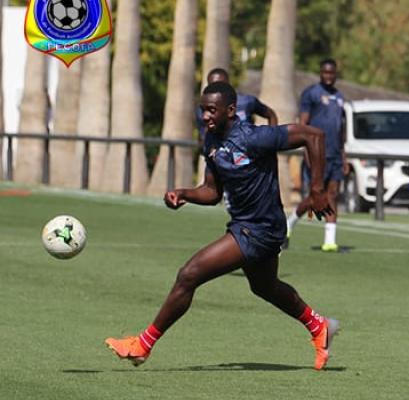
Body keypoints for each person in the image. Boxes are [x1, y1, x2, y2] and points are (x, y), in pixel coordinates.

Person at [105, 82, 340, 371]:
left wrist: (317, 190)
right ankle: (319, 326)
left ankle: (142, 345)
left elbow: (313, 135)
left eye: (211, 111)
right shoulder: (212, 142)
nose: (205, 116)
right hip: (247, 226)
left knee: (189, 274)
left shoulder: (254, 137)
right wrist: (185, 194)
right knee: (264, 287)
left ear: (230, 111)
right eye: (202, 110)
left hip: (259, 229)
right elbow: (211, 191)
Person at [284, 58, 347, 252]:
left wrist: (344, 156)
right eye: (325, 73)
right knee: (314, 197)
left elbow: (341, 129)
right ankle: (288, 225)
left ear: (335, 74)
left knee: (332, 194)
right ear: (320, 73)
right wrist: (308, 152)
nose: (328, 76)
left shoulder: (340, 97)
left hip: (335, 154)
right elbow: (304, 125)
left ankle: (330, 240)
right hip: (317, 153)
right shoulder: (311, 94)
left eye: (332, 73)